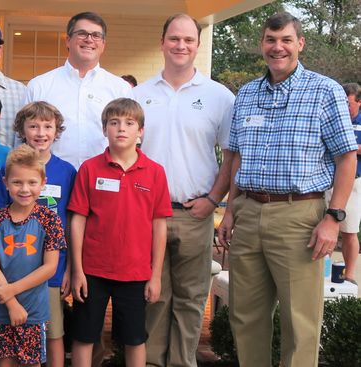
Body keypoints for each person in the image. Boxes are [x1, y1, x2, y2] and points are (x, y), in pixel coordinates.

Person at [217, 12, 357, 367]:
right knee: (245, 316)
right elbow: (236, 160)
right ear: (262, 44)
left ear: (300, 44)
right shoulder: (246, 94)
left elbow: (346, 159)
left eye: (285, 40)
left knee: (301, 321)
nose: (277, 47)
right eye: (270, 40)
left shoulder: (325, 91)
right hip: (248, 212)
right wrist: (230, 211)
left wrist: (334, 217)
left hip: (300, 217)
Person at [132, 14, 235, 367]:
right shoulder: (139, 95)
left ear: (198, 45)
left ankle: (182, 362)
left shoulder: (219, 97)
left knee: (191, 299)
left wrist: (212, 200)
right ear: (162, 42)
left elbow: (230, 158)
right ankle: (152, 362)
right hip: (148, 215)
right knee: (154, 296)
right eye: (174, 38)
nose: (181, 46)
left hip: (195, 214)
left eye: (188, 40)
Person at [68, 98, 171, 367]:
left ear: (141, 131)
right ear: (104, 130)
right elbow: (78, 220)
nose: (121, 129)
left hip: (136, 272)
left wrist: (156, 275)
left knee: (134, 338)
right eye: (114, 123)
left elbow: (159, 226)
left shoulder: (155, 172)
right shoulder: (90, 169)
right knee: (84, 334)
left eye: (129, 123)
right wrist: (77, 269)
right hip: (93, 270)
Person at [0, 101, 76, 367]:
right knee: (11, 332)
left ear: (56, 131)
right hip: (12, 264)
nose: (40, 132)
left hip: (51, 268)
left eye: (47, 126)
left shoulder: (66, 171)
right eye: (33, 126)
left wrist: (70, 268)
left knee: (52, 332)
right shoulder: (9, 168)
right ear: (22, 130)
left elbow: (72, 221)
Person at [0, 144, 66, 367]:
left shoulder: (50, 220)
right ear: (6, 182)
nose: (24, 189)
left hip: (34, 309)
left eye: (32, 182)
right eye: (17, 182)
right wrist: (10, 302)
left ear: (43, 183)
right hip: (3, 308)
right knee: (5, 362)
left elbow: (50, 267)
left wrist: (11, 292)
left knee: (31, 363)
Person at [25, 11, 133, 169]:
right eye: (82, 33)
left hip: (103, 179)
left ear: (103, 44)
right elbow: (22, 139)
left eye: (96, 35)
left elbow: (131, 140)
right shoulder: (39, 85)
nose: (89, 39)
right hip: (49, 179)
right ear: (68, 41)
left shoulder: (120, 88)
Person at [328, 82, 360, 284]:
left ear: (359, 102)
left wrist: (350, 147)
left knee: (349, 231)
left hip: (355, 183)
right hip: (328, 181)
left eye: (349, 103)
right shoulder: (333, 118)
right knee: (324, 228)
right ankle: (322, 270)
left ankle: (349, 274)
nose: (345, 108)